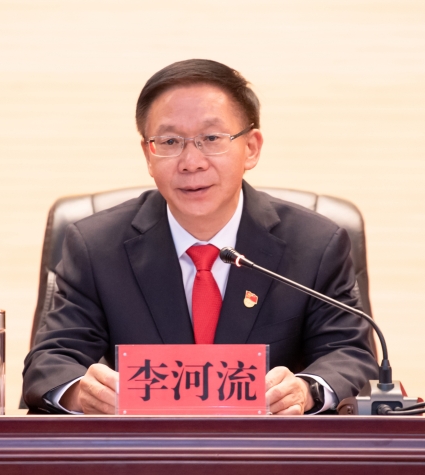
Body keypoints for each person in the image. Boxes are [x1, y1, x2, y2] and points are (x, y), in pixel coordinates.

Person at [22, 59, 377, 415]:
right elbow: (50, 361)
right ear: (148, 154)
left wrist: (305, 390)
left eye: (211, 139)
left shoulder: (315, 244)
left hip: (266, 445)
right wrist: (81, 393)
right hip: (144, 445)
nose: (191, 162)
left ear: (251, 148)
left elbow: (349, 354)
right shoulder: (97, 247)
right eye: (170, 141)